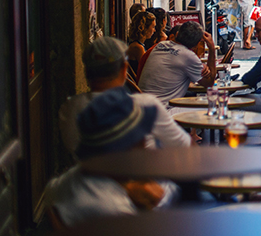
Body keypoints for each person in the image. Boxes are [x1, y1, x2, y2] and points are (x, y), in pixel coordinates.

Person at [43, 89, 178, 229]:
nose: (146, 142)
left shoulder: (66, 180)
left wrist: (126, 188)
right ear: (132, 148)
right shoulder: (118, 211)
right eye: (143, 136)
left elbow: (50, 192)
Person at [84, 37, 193, 149]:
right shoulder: (146, 105)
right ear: (124, 69)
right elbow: (185, 144)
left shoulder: (70, 111)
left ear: (86, 72)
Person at [138, 21, 216, 107]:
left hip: (141, 107)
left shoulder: (160, 45)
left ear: (177, 34)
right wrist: (211, 48)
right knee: (207, 109)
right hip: (162, 110)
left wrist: (198, 64)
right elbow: (209, 83)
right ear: (196, 45)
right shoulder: (188, 56)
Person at [126, 11, 156, 78]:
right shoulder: (137, 47)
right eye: (153, 27)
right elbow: (146, 69)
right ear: (145, 28)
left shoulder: (137, 44)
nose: (154, 30)